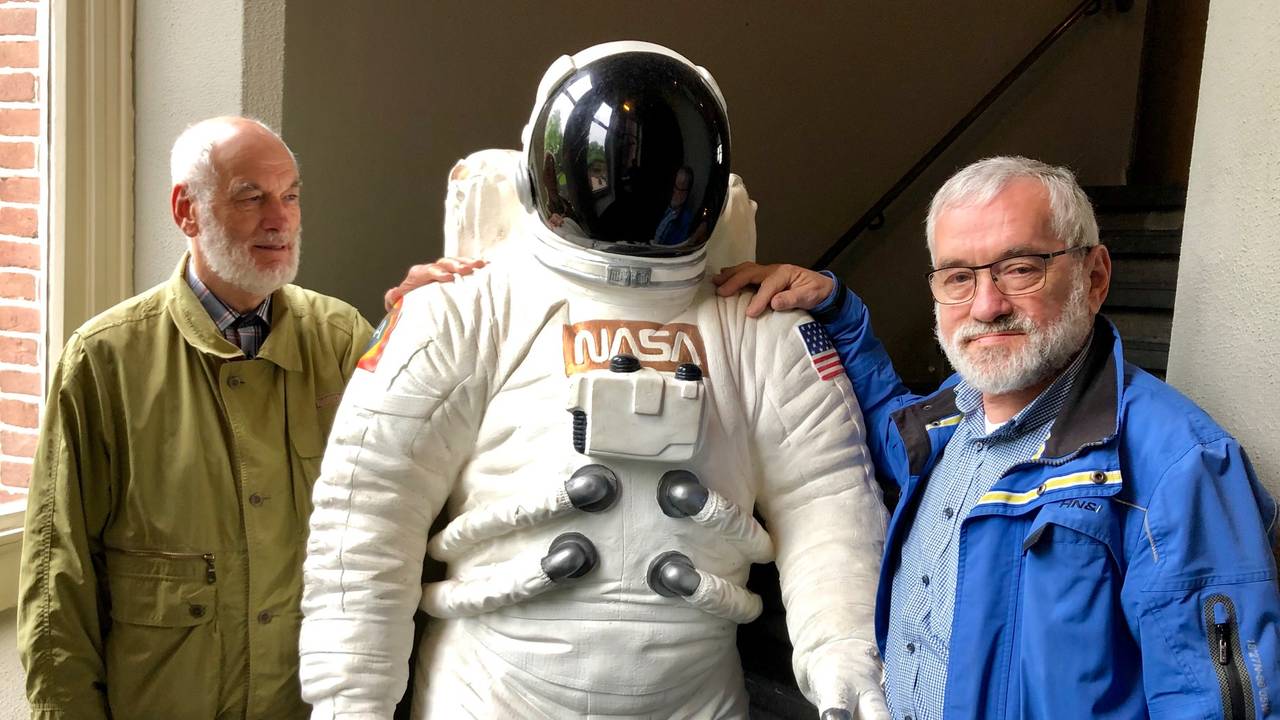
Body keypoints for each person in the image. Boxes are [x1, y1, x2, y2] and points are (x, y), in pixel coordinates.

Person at [300, 42, 890, 720]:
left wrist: (848, 665)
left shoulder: (761, 331)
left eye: (656, 169)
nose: (630, 187)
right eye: (615, 166)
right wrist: (351, 700)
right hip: (487, 695)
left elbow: (830, 503)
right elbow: (371, 506)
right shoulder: (464, 313)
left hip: (692, 697)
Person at [713, 156, 1280, 719]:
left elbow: (1216, 704)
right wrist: (836, 310)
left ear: (1095, 277)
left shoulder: (1181, 469)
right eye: (959, 277)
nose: (986, 305)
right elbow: (890, 420)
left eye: (1021, 268)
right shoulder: (950, 425)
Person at [18, 116, 374, 719]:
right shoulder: (105, 359)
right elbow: (59, 577)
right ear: (187, 210)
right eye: (251, 197)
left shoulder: (344, 340)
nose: (280, 219)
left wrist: (431, 331)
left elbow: (399, 529)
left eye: (290, 196)